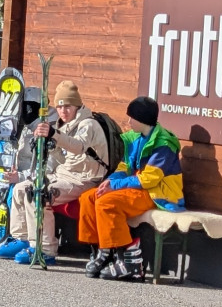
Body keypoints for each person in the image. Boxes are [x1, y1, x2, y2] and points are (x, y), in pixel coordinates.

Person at [0, 81, 111, 264]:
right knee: (21, 188)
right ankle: (22, 238)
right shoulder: (66, 125)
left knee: (40, 194)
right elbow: (63, 158)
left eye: (68, 106)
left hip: (85, 179)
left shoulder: (88, 124)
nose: (63, 111)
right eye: (60, 106)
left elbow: (78, 147)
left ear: (77, 105)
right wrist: (49, 146)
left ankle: (45, 248)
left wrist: (54, 134)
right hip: (64, 175)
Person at [76, 96, 185, 281]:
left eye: (132, 117)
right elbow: (125, 167)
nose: (128, 121)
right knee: (88, 197)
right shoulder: (135, 138)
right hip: (137, 187)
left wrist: (115, 186)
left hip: (158, 194)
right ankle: (103, 251)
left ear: (142, 119)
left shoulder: (163, 144)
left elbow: (149, 179)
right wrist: (111, 181)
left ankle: (130, 262)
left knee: (108, 203)